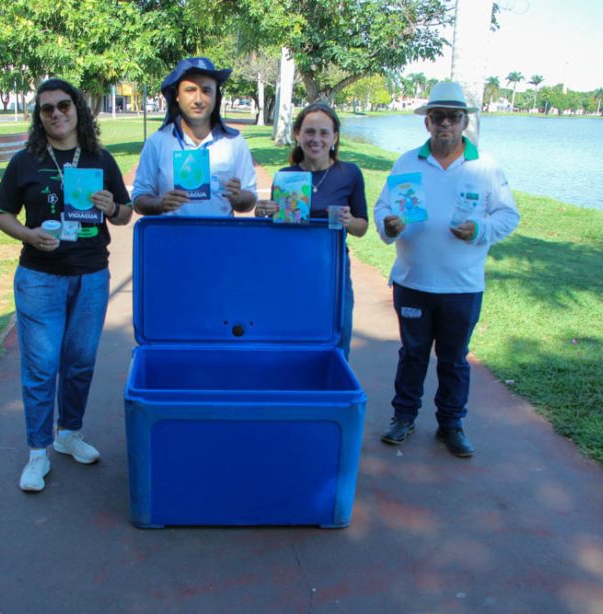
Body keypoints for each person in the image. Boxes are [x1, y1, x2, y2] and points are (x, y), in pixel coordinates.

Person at [0, 78, 133, 492]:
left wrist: (113, 207)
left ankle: (69, 433)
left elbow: (125, 215)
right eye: (47, 109)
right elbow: (2, 214)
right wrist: (28, 234)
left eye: (63, 106)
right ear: (39, 117)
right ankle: (38, 453)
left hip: (90, 275)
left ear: (78, 110)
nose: (56, 114)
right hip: (39, 277)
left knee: (81, 362)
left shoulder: (100, 159)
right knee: (41, 366)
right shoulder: (25, 161)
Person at [374, 81, 520, 458]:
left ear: (463, 122)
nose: (445, 124)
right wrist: (388, 226)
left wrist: (480, 231)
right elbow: (382, 207)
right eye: (437, 117)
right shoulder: (407, 162)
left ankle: (451, 425)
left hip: (462, 286)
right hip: (413, 281)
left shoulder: (484, 167)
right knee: (412, 354)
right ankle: (403, 417)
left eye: (453, 118)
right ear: (427, 123)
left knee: (455, 360)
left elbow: (508, 215)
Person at [254, 102, 368, 356]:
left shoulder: (350, 174)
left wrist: (349, 221)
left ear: (335, 137)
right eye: (309, 132)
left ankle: (333, 391)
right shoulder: (285, 176)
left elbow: (362, 227)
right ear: (297, 135)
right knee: (293, 338)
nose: (316, 139)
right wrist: (263, 213)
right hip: (291, 269)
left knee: (337, 339)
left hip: (333, 269)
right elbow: (274, 230)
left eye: (324, 133)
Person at [132, 57, 257, 216]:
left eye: (206, 90)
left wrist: (239, 198)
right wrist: (160, 204)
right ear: (177, 95)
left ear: (215, 97)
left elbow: (250, 198)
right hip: (172, 239)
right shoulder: (157, 142)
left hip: (220, 239)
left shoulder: (234, 143)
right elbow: (138, 199)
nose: (198, 99)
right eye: (190, 90)